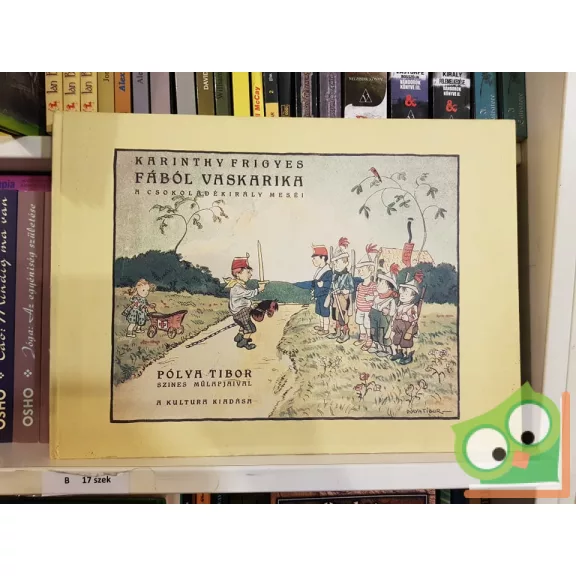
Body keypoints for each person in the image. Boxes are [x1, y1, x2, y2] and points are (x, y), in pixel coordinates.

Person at [225, 254, 264, 350]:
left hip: (239, 314)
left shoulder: (238, 285)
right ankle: (243, 343)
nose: (250, 275)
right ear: (238, 273)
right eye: (248, 272)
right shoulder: (237, 287)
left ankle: (239, 336)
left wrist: (251, 304)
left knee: (243, 325)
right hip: (240, 314)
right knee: (251, 329)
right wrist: (259, 290)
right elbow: (248, 294)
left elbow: (243, 300)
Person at [326, 238, 354, 344]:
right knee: (335, 316)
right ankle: (337, 332)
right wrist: (330, 293)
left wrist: (346, 290)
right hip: (335, 299)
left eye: (338, 262)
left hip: (343, 300)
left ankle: (345, 333)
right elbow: (331, 286)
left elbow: (351, 288)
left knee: (343, 317)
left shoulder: (348, 276)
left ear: (346, 263)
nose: (336, 265)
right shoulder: (334, 276)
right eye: (335, 263)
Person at [390, 276, 420, 364]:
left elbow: (415, 318)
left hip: (407, 328)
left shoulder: (413, 307)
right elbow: (395, 315)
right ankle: (399, 353)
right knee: (397, 340)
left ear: (413, 296)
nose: (402, 296)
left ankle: (408, 355)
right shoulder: (400, 306)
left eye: (406, 294)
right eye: (401, 294)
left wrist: (408, 318)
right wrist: (393, 322)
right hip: (398, 326)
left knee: (406, 342)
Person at [369, 270, 398, 358]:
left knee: (382, 334)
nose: (378, 285)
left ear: (389, 288)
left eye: (381, 283)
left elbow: (393, 312)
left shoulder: (390, 300)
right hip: (374, 319)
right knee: (373, 332)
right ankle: (377, 346)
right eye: (378, 283)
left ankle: (385, 350)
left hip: (383, 321)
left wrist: (388, 311)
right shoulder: (377, 297)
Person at [354, 253, 377, 351]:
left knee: (367, 325)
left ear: (370, 270)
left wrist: (371, 297)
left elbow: (377, 296)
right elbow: (357, 295)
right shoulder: (360, 285)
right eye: (359, 270)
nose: (360, 272)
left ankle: (369, 339)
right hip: (360, 309)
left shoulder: (373, 285)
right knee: (360, 323)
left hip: (368, 310)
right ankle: (362, 337)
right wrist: (355, 305)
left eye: (363, 270)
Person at [310, 245, 333, 335]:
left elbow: (330, 283)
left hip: (325, 296)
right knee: (319, 312)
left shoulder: (328, 271)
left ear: (323, 258)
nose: (313, 260)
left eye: (315, 258)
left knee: (325, 313)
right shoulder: (319, 270)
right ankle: (322, 326)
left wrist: (324, 284)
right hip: (318, 296)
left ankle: (326, 329)